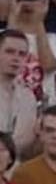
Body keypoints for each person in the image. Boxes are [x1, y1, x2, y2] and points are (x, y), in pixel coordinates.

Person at [0, 29, 38, 158]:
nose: (16, 58)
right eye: (9, 52)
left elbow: (27, 144)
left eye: (22, 54)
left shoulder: (29, 98)